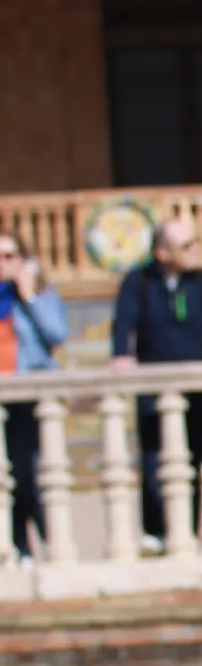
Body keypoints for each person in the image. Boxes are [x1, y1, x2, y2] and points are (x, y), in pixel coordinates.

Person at [109, 219, 202, 549]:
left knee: (190, 456)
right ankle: (155, 531)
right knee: (153, 456)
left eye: (194, 243)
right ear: (162, 252)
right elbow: (123, 321)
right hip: (153, 382)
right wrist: (121, 355)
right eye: (186, 245)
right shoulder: (140, 281)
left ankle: (188, 528)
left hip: (195, 384)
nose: (194, 251)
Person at [0, 235, 70, 559]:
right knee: (8, 475)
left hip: (29, 396)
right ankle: (20, 547)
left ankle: (50, 542)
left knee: (29, 475)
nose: (3, 263)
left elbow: (56, 334)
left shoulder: (40, 295)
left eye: (9, 255)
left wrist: (28, 295)